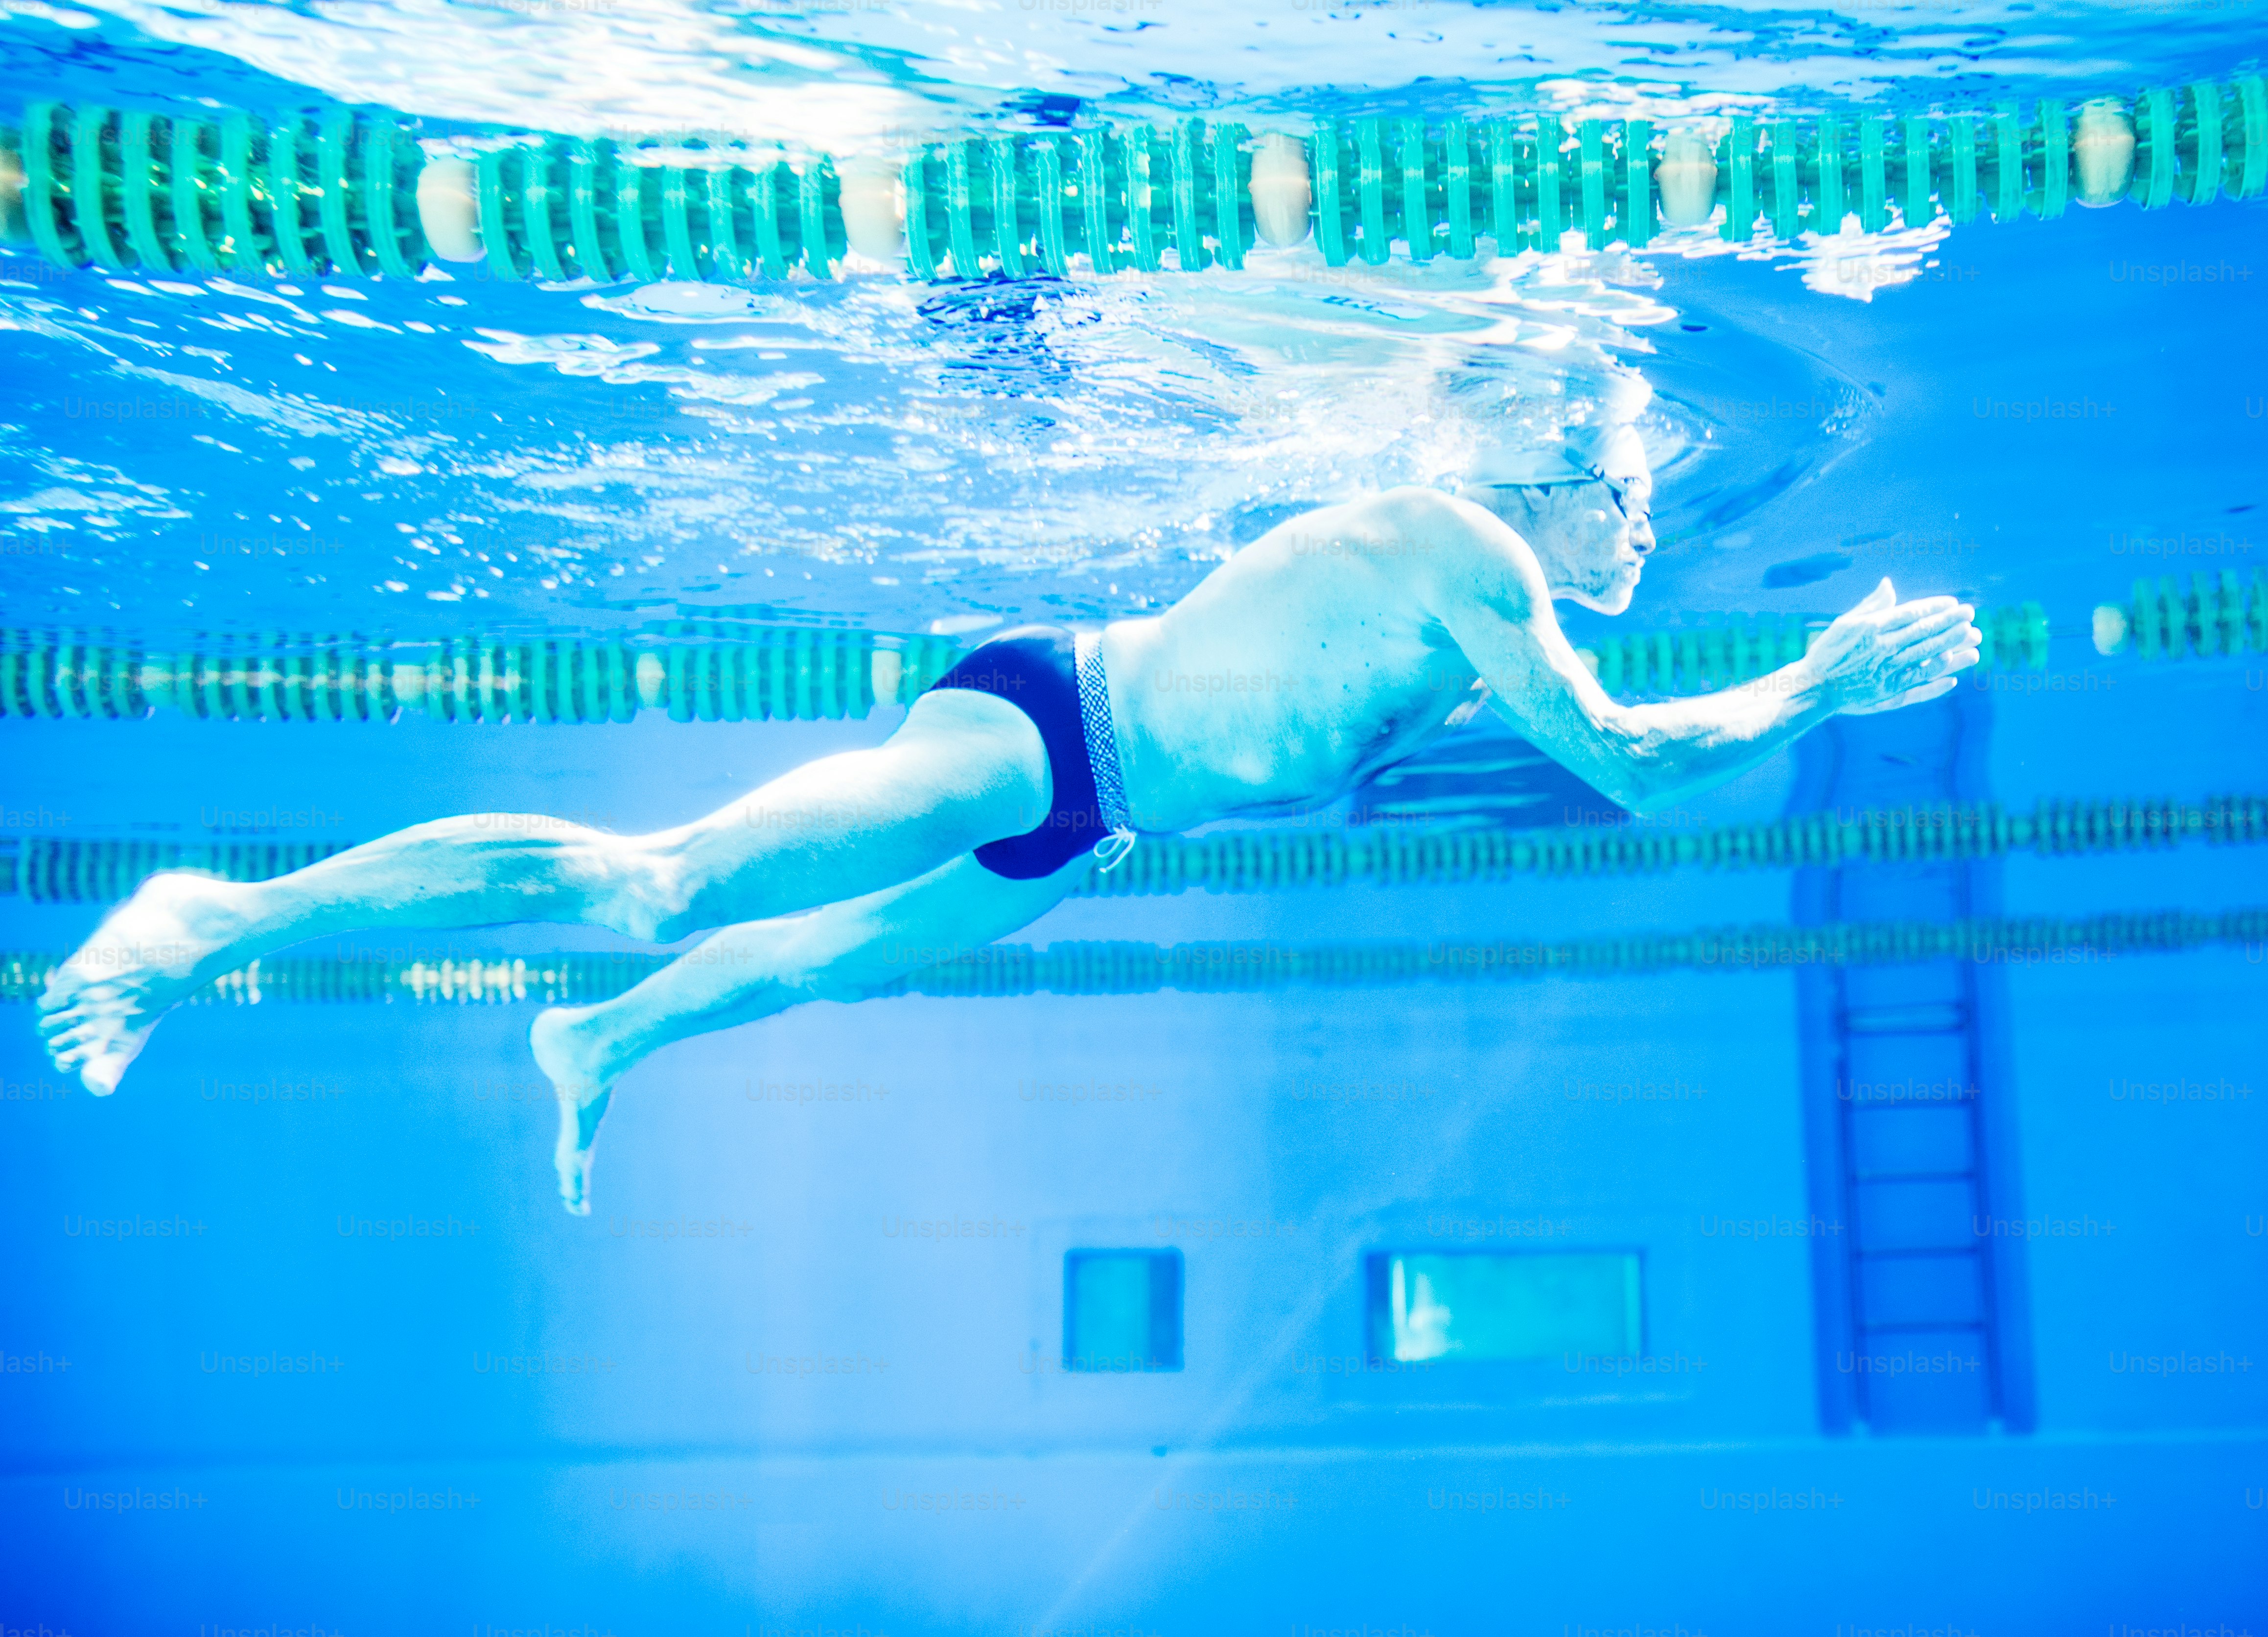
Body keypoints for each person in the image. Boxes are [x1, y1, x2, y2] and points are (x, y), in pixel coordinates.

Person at [36, 419, 1979, 1211]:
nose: (1647, 531)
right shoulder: (1464, 544)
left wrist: (1796, 691)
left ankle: (595, 1038)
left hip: (1096, 822)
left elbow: (1582, 761)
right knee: (664, 880)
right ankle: (214, 916)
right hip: (1052, 720)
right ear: (1558, 478)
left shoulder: (1479, 639)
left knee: (799, 966)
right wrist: (1816, 683)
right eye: (1631, 501)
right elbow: (1631, 757)